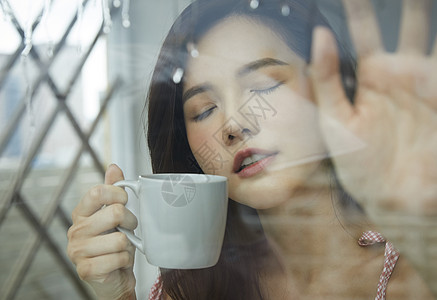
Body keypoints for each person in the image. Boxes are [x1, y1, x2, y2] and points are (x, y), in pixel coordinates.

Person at [67, 0, 437, 299]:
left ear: (327, 87)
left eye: (262, 88)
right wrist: (118, 295)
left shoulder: (416, 265)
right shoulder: (193, 290)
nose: (232, 125)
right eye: (204, 110)